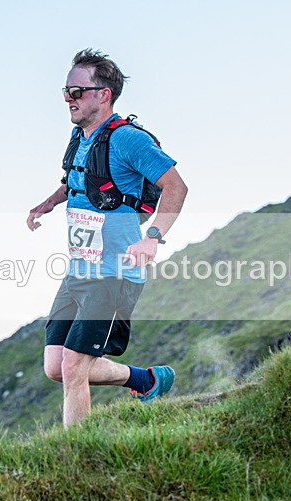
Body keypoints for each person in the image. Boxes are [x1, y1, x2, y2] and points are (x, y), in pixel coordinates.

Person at [26, 49, 188, 428]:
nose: (68, 98)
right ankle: (147, 381)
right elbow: (79, 181)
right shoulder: (80, 136)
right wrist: (49, 203)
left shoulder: (129, 140)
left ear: (103, 94)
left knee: (74, 366)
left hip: (114, 273)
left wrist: (152, 238)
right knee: (55, 366)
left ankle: (76, 458)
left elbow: (176, 188)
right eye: (66, 90)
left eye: (77, 90)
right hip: (79, 270)